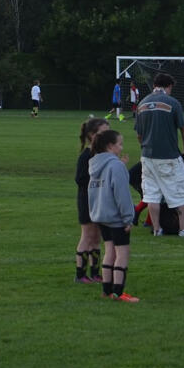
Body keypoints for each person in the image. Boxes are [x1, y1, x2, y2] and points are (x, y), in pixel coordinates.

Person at [134, 72, 184, 237]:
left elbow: (139, 134)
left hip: (147, 156)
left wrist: (145, 147)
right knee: (182, 192)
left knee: (152, 194)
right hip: (169, 156)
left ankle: (157, 229)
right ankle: (183, 229)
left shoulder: (142, 104)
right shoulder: (172, 103)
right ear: (169, 86)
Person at [88, 128, 139, 302]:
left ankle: (106, 290)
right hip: (116, 217)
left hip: (101, 216)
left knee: (109, 251)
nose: (121, 147)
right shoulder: (115, 165)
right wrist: (128, 217)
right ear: (110, 146)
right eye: (120, 144)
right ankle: (118, 293)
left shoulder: (94, 163)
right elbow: (122, 194)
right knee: (122, 253)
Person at [73, 116, 109, 284]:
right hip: (87, 200)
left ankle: (95, 273)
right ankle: (80, 274)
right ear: (93, 135)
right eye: (104, 133)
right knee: (87, 236)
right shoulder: (86, 156)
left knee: (96, 238)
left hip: (100, 200)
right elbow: (80, 179)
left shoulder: (103, 155)